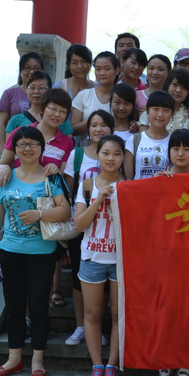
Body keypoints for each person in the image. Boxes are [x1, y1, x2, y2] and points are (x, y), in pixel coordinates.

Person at [0, 126, 70, 376]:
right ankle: (14, 358)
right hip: (10, 251)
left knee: (39, 307)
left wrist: (39, 214)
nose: (27, 148)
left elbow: (65, 210)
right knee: (14, 308)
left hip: (42, 253)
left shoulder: (51, 177)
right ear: (15, 149)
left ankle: (37, 360)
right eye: (21, 144)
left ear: (42, 148)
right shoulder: (5, 177)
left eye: (33, 144)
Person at [153, 129, 189, 376]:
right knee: (165, 312)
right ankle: (164, 366)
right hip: (166, 259)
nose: (180, 153)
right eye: (175, 148)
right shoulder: (159, 181)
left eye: (186, 148)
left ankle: (185, 368)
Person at [73, 134, 126, 376]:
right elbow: (79, 224)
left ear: (123, 157)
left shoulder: (129, 187)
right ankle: (96, 366)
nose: (111, 158)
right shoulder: (87, 185)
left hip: (120, 260)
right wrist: (98, 199)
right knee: (92, 314)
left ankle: (112, 366)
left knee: (117, 315)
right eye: (106, 153)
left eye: (116, 154)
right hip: (91, 257)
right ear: (98, 155)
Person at [62, 110, 115, 346]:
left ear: (112, 129)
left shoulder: (117, 154)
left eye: (104, 125)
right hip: (82, 221)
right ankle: (80, 326)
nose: (98, 129)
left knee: (103, 282)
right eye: (93, 125)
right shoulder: (77, 154)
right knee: (78, 277)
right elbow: (69, 190)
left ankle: (97, 328)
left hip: (108, 228)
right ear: (88, 129)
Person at [0, 51, 43, 154]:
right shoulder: (9, 93)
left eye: (36, 68)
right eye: (27, 68)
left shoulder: (46, 94)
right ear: (21, 71)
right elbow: (1, 124)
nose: (31, 72)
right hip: (16, 147)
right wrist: (5, 152)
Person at [6, 71, 75, 138]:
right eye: (32, 87)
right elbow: (9, 145)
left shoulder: (60, 119)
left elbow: (68, 144)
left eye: (41, 88)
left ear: (50, 90)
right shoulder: (15, 120)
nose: (36, 91)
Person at [71, 52, 119, 145]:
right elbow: (73, 130)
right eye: (98, 69)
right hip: (87, 151)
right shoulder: (84, 95)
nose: (102, 73)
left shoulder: (122, 98)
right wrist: (93, 121)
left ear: (117, 70)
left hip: (114, 150)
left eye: (107, 69)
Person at [127, 91, 174, 179]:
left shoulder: (175, 141)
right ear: (147, 111)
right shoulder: (133, 140)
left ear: (172, 113)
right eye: (155, 109)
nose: (160, 114)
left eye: (166, 110)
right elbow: (128, 178)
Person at [140, 67, 189, 133]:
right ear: (167, 84)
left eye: (184, 87)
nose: (178, 90)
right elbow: (142, 138)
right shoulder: (147, 114)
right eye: (175, 84)